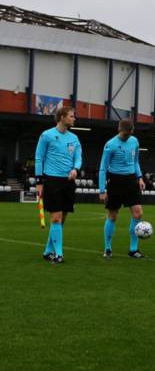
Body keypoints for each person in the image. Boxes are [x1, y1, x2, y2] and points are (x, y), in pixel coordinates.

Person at [35, 106, 82, 264]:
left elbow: (78, 157)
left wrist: (76, 169)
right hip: (52, 180)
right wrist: (39, 182)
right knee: (56, 218)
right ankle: (59, 254)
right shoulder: (46, 135)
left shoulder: (74, 138)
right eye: (71, 116)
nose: (74, 118)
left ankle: (48, 251)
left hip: (68, 182)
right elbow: (39, 158)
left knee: (62, 219)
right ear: (62, 117)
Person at [98, 118, 146, 259]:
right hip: (116, 181)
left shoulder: (134, 141)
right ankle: (107, 248)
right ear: (119, 130)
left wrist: (140, 177)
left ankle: (133, 249)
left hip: (131, 180)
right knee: (113, 215)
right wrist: (102, 190)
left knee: (138, 214)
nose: (127, 137)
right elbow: (102, 168)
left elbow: (135, 161)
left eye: (130, 134)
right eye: (125, 134)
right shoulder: (110, 145)